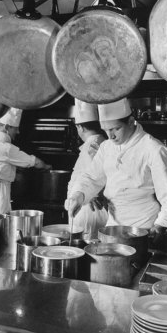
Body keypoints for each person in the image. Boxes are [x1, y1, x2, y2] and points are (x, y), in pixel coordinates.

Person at [65, 98, 167, 243]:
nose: (110, 136)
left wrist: (162, 225)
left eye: (115, 129)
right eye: (106, 130)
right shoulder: (106, 147)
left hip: (144, 229)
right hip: (112, 229)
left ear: (130, 122)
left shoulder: (153, 149)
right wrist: (79, 195)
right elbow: (92, 178)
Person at [0, 107, 51, 214]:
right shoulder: (8, 148)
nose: (18, 132)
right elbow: (36, 162)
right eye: (15, 128)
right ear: (7, 127)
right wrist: (47, 167)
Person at [66, 99, 108, 239]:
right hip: (89, 207)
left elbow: (96, 177)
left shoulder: (92, 147)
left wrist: (93, 195)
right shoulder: (102, 142)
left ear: (80, 127)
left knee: (86, 249)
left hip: (89, 211)